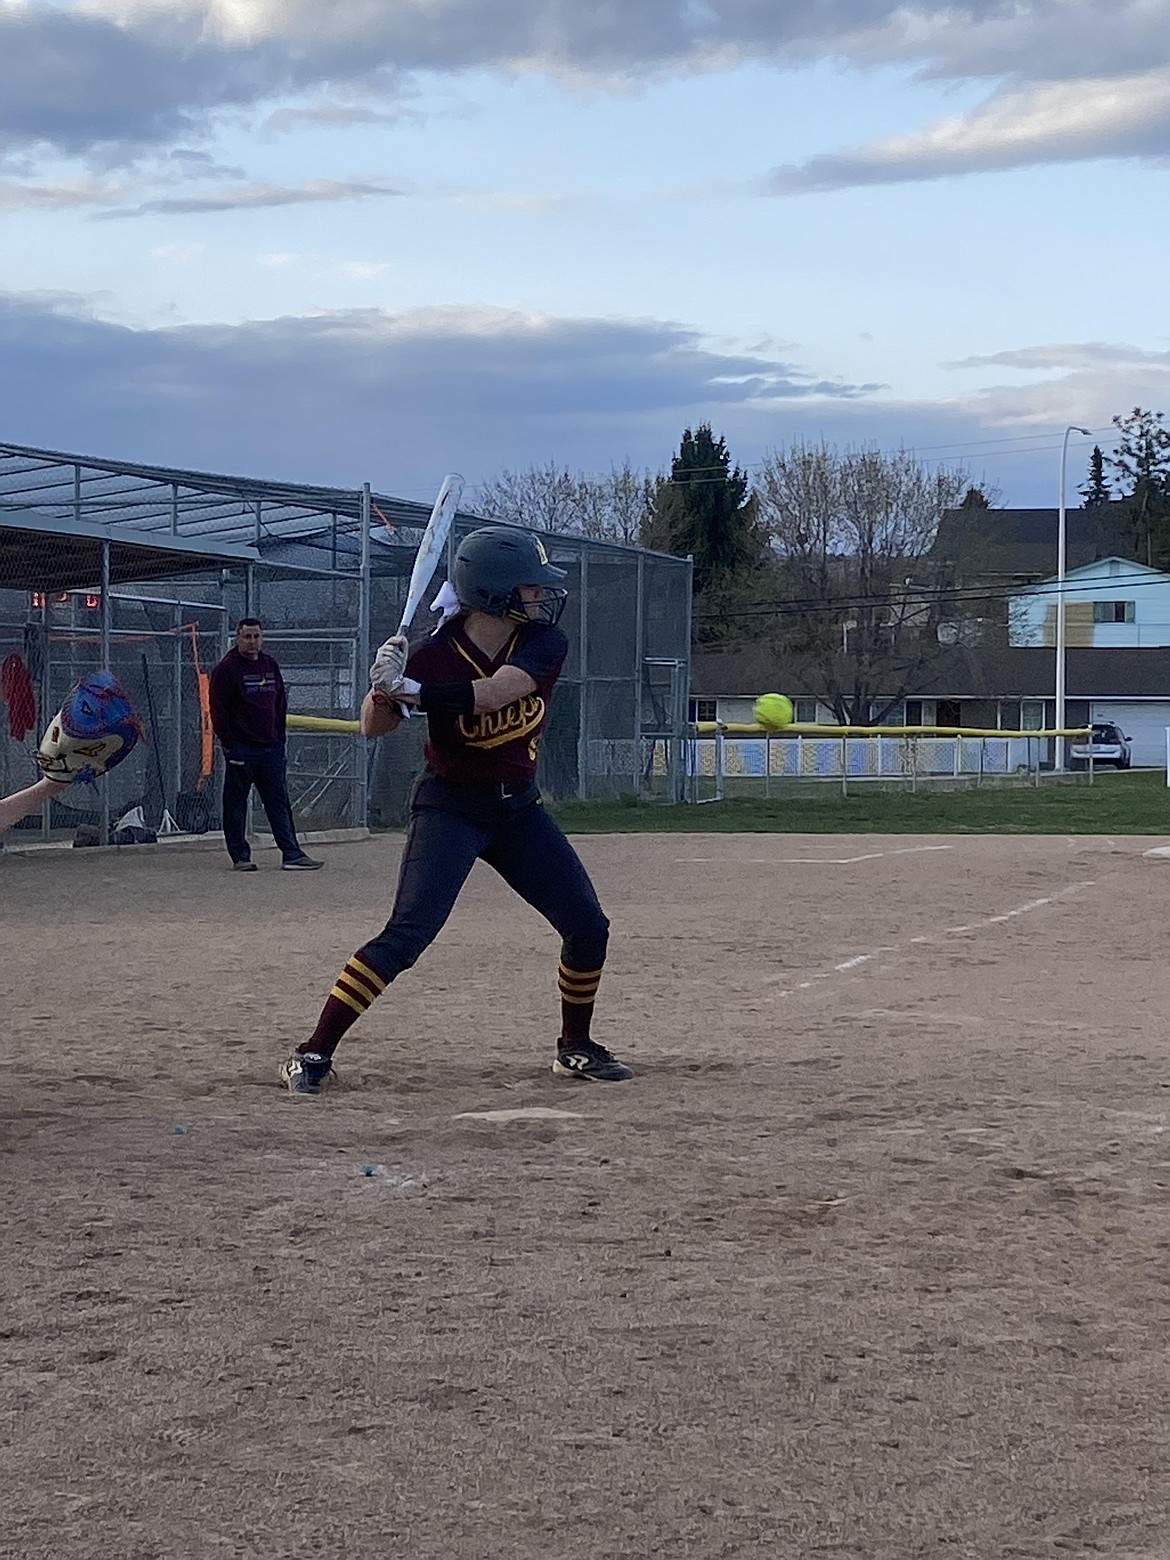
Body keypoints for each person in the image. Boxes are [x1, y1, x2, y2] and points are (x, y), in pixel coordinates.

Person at [280, 525, 632, 1094]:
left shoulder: (542, 644)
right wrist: (383, 689)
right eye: (528, 587)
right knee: (407, 935)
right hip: (450, 808)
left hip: (517, 810)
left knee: (588, 926)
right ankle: (312, 1052)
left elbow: (495, 693)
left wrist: (413, 690)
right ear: (493, 593)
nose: (540, 597)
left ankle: (575, 1047)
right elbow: (373, 730)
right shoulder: (434, 655)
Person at [209, 619, 322, 872]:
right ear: (237, 638)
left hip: (271, 748)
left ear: (262, 638)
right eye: (247, 637)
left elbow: (280, 702)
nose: (252, 642)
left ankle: (292, 854)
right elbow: (218, 711)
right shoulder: (226, 669)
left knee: (278, 801)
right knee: (236, 803)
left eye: (256, 636)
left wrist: (279, 737)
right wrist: (229, 745)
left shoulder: (270, 665)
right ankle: (240, 857)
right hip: (241, 749)